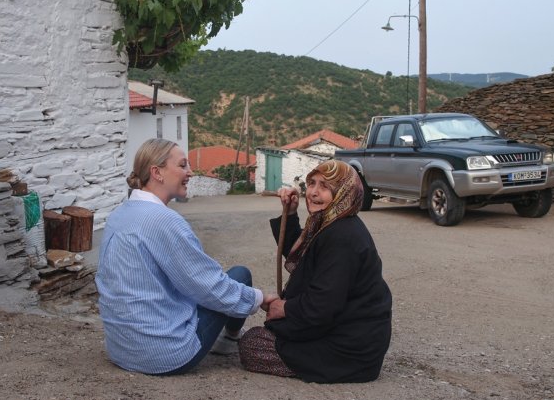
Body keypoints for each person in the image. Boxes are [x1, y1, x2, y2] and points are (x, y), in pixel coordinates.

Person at [96, 138, 277, 375]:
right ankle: (229, 341)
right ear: (157, 172)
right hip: (163, 355)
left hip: (121, 349)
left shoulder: (119, 214)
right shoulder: (164, 221)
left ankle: (225, 337)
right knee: (240, 275)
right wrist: (260, 298)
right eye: (182, 166)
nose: (190, 172)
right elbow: (209, 286)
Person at [238, 160, 392, 383]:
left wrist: (286, 308)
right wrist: (290, 213)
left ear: (344, 191)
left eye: (325, 187)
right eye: (311, 183)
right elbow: (302, 255)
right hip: (345, 332)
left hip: (350, 349)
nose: (313, 193)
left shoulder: (342, 236)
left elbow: (323, 304)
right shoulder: (331, 221)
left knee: (252, 344)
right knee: (264, 335)